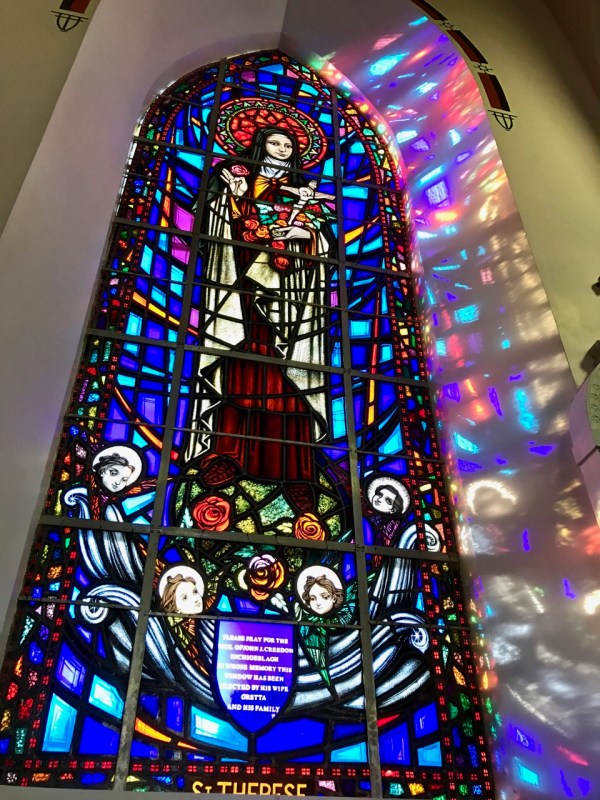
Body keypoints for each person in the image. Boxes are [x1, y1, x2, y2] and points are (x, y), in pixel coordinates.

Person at [185, 125, 335, 484]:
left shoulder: (303, 192)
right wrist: (232, 198)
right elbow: (210, 225)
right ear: (260, 145)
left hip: (286, 290)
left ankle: (294, 467)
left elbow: (326, 245)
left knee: (284, 365)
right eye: (274, 142)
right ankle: (227, 452)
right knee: (237, 353)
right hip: (238, 279)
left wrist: (303, 233)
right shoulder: (239, 181)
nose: (281, 148)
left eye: (288, 145)